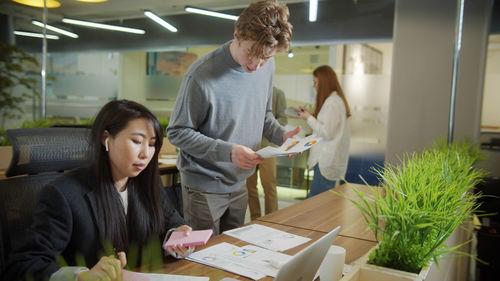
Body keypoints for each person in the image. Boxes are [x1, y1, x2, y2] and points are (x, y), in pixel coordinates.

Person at [4, 100, 194, 281]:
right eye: (137, 141)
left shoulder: (144, 185)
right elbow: (23, 265)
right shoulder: (63, 195)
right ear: (106, 139)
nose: (146, 153)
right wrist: (81, 276)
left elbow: (171, 220)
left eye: (152, 144)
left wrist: (177, 234)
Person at [167, 0, 301, 235]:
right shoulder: (201, 75)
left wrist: (282, 135)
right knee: (202, 259)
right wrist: (228, 151)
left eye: (266, 58)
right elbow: (177, 132)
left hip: (240, 183)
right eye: (251, 53)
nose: (256, 66)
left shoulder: (266, 67)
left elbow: (264, 114)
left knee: (231, 255)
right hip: (203, 187)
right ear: (237, 33)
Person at [297, 65, 351, 198]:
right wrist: (312, 116)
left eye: (316, 82)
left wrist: (309, 118)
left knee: (315, 205)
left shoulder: (332, 102)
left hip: (325, 162)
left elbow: (327, 133)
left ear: (324, 83)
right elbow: (327, 126)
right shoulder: (335, 101)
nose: (314, 86)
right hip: (327, 161)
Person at [246, 86, 288, 220]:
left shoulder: (277, 93)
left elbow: (283, 119)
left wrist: (268, 126)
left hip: (268, 148)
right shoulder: (248, 90)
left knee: (269, 186)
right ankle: (255, 219)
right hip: (248, 147)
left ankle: (272, 220)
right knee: (249, 187)